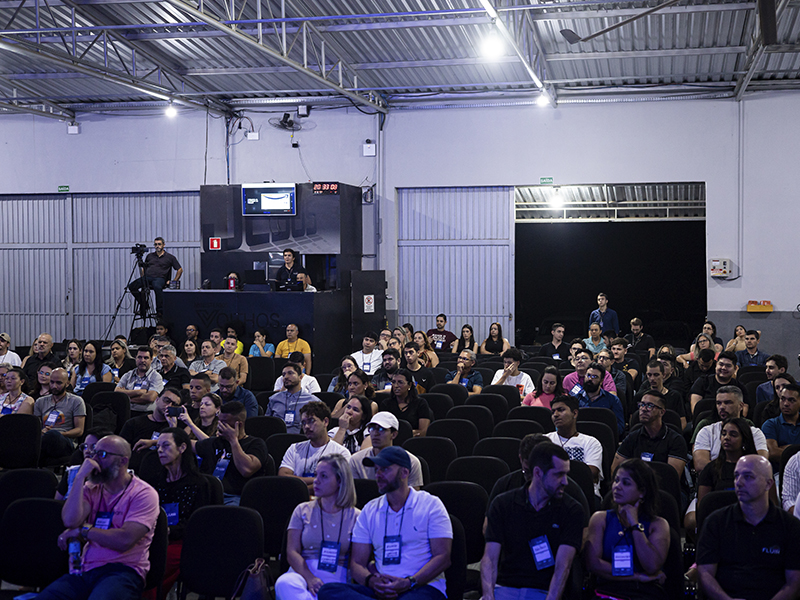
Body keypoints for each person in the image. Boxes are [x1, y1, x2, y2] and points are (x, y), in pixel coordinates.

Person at [318, 447, 452, 600]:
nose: (378, 475)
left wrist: (409, 582)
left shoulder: (431, 505)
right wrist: (372, 581)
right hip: (381, 589)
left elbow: (443, 557)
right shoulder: (370, 510)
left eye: (385, 469)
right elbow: (357, 563)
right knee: (328, 590)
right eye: (376, 470)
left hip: (421, 587)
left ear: (404, 473)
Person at [38, 435, 160, 600]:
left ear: (123, 461)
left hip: (123, 571)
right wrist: (80, 477)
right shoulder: (91, 488)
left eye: (102, 455)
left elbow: (124, 540)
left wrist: (83, 531)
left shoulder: (143, 494)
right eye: (93, 453)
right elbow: (70, 521)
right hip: (86, 571)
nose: (93, 459)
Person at [480, 443, 582, 600]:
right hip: (505, 587)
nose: (565, 482)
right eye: (559, 475)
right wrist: (488, 595)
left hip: (543, 590)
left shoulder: (571, 510)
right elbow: (489, 558)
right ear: (538, 473)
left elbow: (563, 567)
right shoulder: (503, 504)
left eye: (566, 474)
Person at [696, 455, 800, 600]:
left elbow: (794, 581)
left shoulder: (790, 526)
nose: (739, 483)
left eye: (748, 477)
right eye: (736, 476)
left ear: (768, 484)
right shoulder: (715, 522)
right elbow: (705, 573)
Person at [276, 455, 360, 600]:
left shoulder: (356, 516)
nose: (316, 480)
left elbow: (358, 561)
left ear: (340, 480)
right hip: (302, 573)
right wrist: (310, 578)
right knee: (284, 583)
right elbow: (292, 552)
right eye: (316, 475)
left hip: (337, 574)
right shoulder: (302, 510)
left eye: (324, 476)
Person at [585, 459, 670, 600]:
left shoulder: (658, 524)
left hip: (644, 593)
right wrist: (637, 576)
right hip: (608, 591)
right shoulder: (600, 519)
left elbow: (651, 566)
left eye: (626, 483)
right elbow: (593, 564)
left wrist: (634, 524)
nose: (617, 487)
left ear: (642, 492)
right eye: (616, 480)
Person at [147, 427, 210, 599]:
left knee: (157, 563)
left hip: (183, 541)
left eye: (166, 446)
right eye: (158, 446)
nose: (160, 450)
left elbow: (198, 524)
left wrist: (168, 531)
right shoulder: (155, 482)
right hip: (154, 538)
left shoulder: (199, 483)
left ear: (182, 448)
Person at [685, 417, 758, 535]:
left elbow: (770, 504)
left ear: (744, 440)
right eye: (724, 434)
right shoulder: (711, 468)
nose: (726, 438)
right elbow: (703, 506)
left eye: (733, 435)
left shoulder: (756, 468)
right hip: (718, 525)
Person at [197, 401, 268, 505]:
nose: (219, 426)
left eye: (224, 422)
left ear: (239, 424)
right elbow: (189, 445)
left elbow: (246, 470)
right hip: (209, 494)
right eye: (219, 421)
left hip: (235, 497)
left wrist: (233, 440)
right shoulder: (215, 442)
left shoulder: (255, 444)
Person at [691, 386, 769, 473]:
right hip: (715, 479)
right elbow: (700, 465)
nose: (722, 407)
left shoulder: (755, 432)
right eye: (718, 403)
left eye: (727, 403)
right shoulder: (706, 431)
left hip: (746, 479)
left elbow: (761, 463)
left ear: (741, 406)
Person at [279, 401, 351, 495]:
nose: (306, 426)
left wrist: (298, 488)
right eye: (303, 422)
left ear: (325, 422)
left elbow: (335, 484)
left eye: (311, 421)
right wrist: (318, 480)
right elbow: (283, 476)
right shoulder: (294, 448)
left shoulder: (341, 453)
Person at [612, 390, 688, 476]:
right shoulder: (632, 437)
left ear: (662, 412)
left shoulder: (676, 440)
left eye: (650, 406)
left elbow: (672, 477)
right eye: (642, 405)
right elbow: (615, 469)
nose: (644, 409)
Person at [546, 395, 603, 498]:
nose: (555, 415)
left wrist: (553, 471)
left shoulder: (591, 442)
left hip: (583, 494)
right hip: (551, 492)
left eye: (561, 410)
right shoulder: (545, 440)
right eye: (553, 411)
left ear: (575, 413)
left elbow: (590, 473)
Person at [350, 412, 424, 489]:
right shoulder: (355, 460)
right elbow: (354, 492)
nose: (375, 433)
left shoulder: (411, 462)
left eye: (381, 429)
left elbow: (413, 494)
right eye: (372, 428)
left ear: (394, 434)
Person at [34, 368, 86, 464]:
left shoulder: (76, 401)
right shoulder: (40, 401)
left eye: (59, 383)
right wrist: (41, 432)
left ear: (67, 384)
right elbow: (36, 427)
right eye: (52, 382)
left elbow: (79, 430)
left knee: (52, 435)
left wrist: (62, 434)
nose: (54, 386)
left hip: (65, 440)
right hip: (44, 437)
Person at [119, 388, 179, 470]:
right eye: (166, 401)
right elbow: (121, 452)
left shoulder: (175, 426)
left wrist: (173, 427)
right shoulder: (134, 423)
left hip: (162, 470)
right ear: (157, 400)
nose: (169, 406)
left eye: (174, 404)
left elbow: (176, 451)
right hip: (134, 469)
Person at [128, 236, 183, 316]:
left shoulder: (170, 257)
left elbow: (180, 269)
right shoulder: (150, 256)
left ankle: (159, 311)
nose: (157, 246)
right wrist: (143, 276)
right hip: (148, 277)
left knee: (157, 287)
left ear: (163, 245)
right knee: (132, 286)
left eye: (159, 244)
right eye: (155, 244)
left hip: (160, 278)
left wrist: (173, 281)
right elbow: (144, 268)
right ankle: (144, 305)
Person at [56, 427, 114, 501]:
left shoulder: (118, 475)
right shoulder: (72, 472)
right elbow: (56, 504)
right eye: (85, 446)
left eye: (93, 447)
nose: (87, 451)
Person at [635, 360, 687, 429]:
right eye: (649, 375)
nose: (652, 378)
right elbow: (634, 421)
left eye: (656, 375)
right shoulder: (640, 396)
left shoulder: (674, 396)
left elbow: (682, 421)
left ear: (663, 375)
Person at [380, 369, 432, 437]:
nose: (396, 385)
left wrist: (402, 434)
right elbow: (382, 430)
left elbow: (423, 432)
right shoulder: (386, 404)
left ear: (409, 385)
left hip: (413, 441)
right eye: (393, 382)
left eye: (400, 382)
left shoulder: (420, 403)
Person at [267, 363, 316, 434]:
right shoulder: (274, 399)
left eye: (290, 373)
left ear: (300, 377)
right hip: (277, 437)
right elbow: (267, 423)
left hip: (301, 438)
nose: (286, 377)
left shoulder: (312, 400)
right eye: (283, 374)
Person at [116, 346, 165, 414]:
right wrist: (140, 392)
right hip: (127, 412)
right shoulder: (128, 375)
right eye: (139, 357)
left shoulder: (156, 377)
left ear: (151, 359)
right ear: (135, 358)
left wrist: (127, 397)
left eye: (146, 358)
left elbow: (150, 398)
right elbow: (117, 392)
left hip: (146, 413)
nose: (142, 360)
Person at [762, 382, 800, 463]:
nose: (786, 404)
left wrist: (786, 448)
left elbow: (778, 452)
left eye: (791, 400)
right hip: (779, 470)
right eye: (783, 399)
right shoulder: (770, 424)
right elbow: (773, 453)